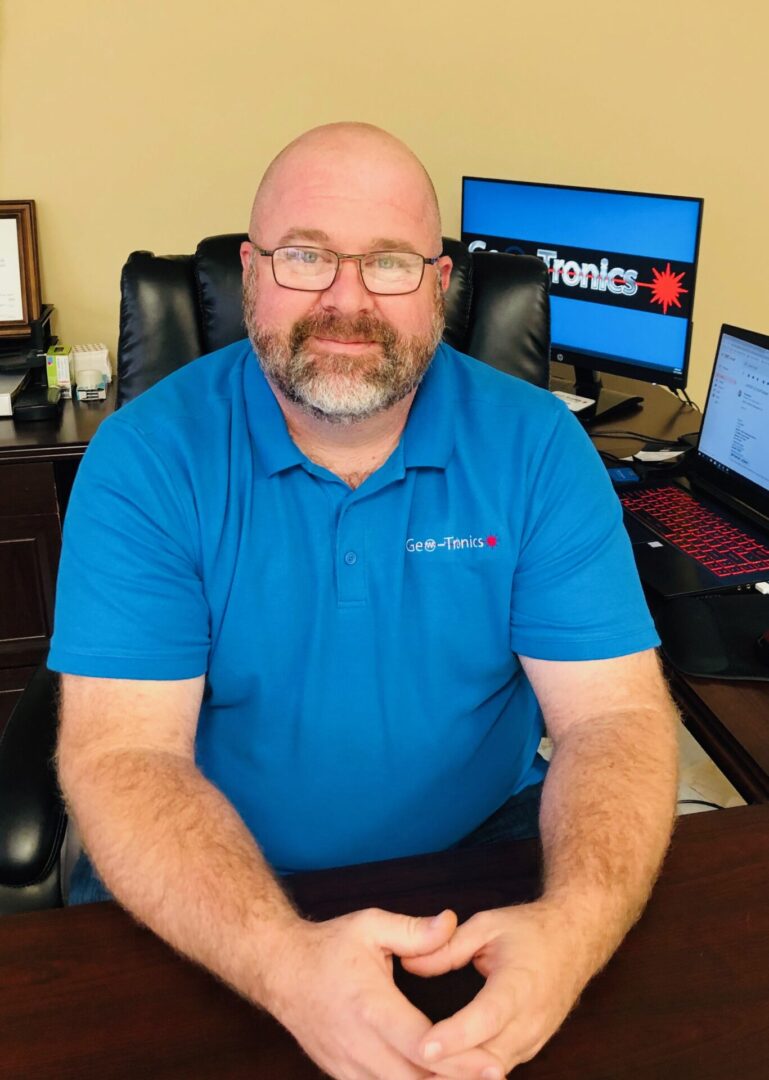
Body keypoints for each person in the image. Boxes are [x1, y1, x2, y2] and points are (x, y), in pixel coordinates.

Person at [51, 122, 679, 1079]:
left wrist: (574, 930)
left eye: (388, 262)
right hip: (210, 872)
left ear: (440, 285)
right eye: (306, 256)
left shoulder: (539, 450)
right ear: (251, 275)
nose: (346, 301)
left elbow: (614, 721)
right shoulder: (144, 461)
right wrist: (284, 963)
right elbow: (122, 755)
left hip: (474, 862)